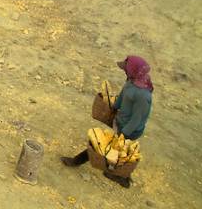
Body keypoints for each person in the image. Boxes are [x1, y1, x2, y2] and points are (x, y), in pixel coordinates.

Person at [61, 56, 154, 188]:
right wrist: (114, 106)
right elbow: (123, 94)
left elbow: (137, 118)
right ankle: (118, 175)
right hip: (121, 122)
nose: (125, 71)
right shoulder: (131, 81)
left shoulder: (143, 95)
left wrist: (123, 134)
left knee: (108, 148)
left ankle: (122, 178)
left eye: (126, 69)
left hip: (130, 129)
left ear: (134, 70)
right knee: (112, 149)